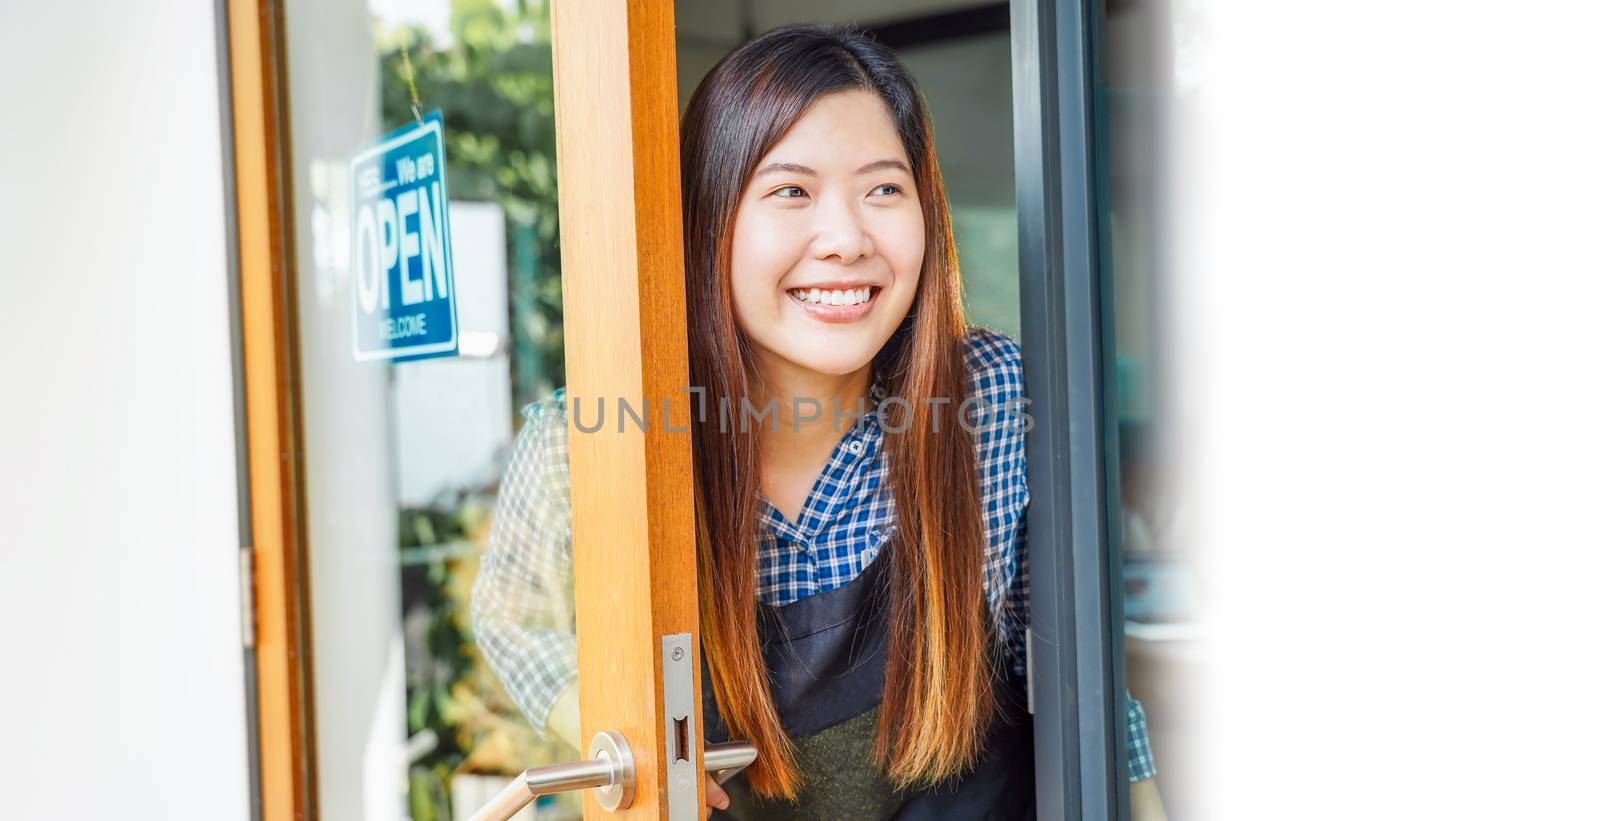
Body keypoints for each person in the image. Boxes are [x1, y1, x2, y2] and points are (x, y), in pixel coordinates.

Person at [473, 23, 1167, 820]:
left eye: (883, 188)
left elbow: (1079, 673)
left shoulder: (993, 395)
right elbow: (512, 612)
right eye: (791, 191)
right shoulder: (593, 438)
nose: (845, 240)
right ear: (710, 219)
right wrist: (617, 743)